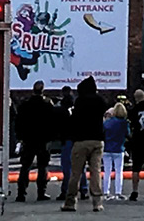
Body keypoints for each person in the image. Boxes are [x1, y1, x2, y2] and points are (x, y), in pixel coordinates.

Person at [61, 76, 107, 213]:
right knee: (96, 172)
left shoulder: (79, 101)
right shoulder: (100, 101)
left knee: (75, 173)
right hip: (97, 140)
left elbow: (74, 120)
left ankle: (70, 202)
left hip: (80, 141)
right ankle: (97, 203)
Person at [16, 80, 55, 202]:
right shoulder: (47, 103)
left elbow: (19, 121)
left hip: (28, 139)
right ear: (42, 90)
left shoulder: (25, 104)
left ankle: (21, 193)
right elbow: (51, 121)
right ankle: (41, 192)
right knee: (42, 166)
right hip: (43, 139)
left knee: (25, 166)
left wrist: (20, 136)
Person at [103, 102, 129, 200]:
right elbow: (127, 134)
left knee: (107, 171)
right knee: (119, 171)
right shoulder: (124, 123)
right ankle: (118, 192)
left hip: (107, 148)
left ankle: (106, 192)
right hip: (118, 149)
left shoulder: (107, 122)